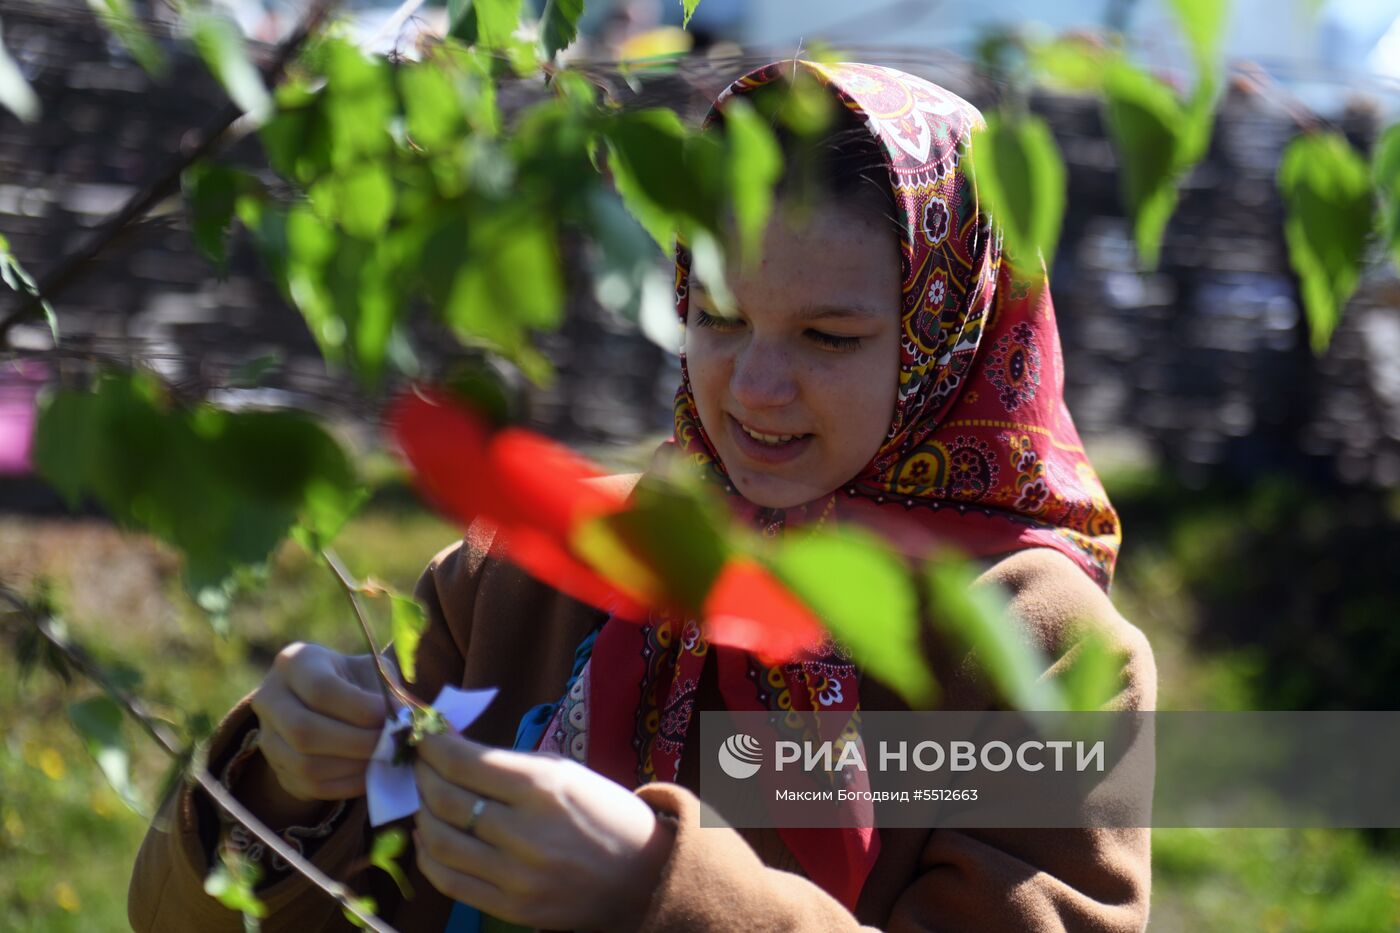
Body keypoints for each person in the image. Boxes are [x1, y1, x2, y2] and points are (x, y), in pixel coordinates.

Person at [128, 60, 1155, 932]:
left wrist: (652, 887)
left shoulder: (1042, 651)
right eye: (714, 317)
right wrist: (281, 780)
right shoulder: (532, 562)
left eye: (827, 338)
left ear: (950, 333)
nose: (751, 387)